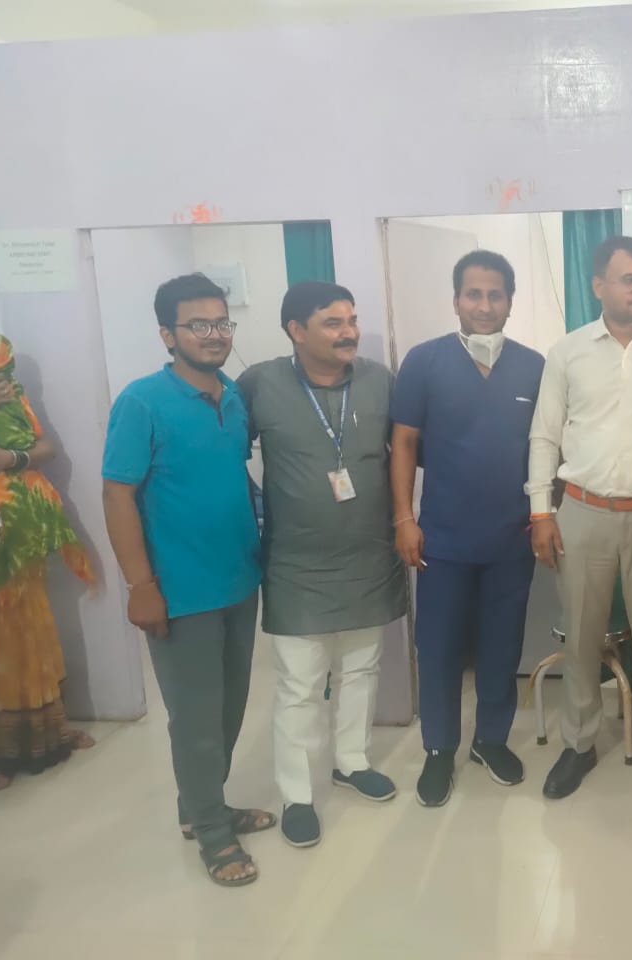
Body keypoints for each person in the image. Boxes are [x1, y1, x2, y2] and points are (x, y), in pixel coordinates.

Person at [102, 273, 271, 887]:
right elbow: (118, 495)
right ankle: (215, 837)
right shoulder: (142, 401)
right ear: (167, 334)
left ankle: (199, 808)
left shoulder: (232, 396)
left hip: (238, 580)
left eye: (222, 322)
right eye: (198, 324)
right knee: (196, 719)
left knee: (228, 710)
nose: (214, 334)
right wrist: (140, 585)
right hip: (180, 591)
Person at [237, 281, 405, 848]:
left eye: (351, 320)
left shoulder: (380, 380)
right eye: (333, 322)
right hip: (296, 562)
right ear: (296, 331)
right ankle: (297, 794)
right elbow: (225, 455)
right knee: (300, 684)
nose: (349, 331)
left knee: (361, 668)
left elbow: (403, 452)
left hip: (368, 554)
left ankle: (351, 761)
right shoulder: (261, 384)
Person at [528, 235, 632, 802]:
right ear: (599, 285)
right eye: (629, 279)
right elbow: (545, 435)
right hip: (583, 511)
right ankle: (579, 744)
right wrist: (541, 511)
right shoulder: (567, 353)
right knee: (581, 634)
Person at [391, 251, 543, 808]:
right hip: (444, 538)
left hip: (511, 537)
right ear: (456, 300)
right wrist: (404, 518)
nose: (484, 305)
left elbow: (546, 446)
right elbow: (404, 442)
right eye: (473, 294)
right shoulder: (424, 362)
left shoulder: (532, 366)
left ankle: (490, 740)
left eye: (495, 294)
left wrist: (543, 516)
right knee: (438, 647)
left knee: (502, 644)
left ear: (509, 301)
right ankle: (439, 748)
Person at [0, 331, 96, 792]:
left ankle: (48, 731)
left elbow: (46, 448)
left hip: (18, 536)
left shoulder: (12, 398)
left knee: (32, 632)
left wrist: (9, 456)